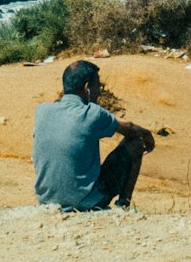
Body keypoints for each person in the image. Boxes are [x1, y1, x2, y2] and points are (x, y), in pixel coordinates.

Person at [33, 59, 154, 211]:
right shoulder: (92, 113)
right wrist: (147, 134)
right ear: (87, 88)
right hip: (86, 201)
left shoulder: (42, 111)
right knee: (135, 143)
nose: (100, 91)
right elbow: (129, 129)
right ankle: (124, 204)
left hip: (47, 201)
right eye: (99, 86)